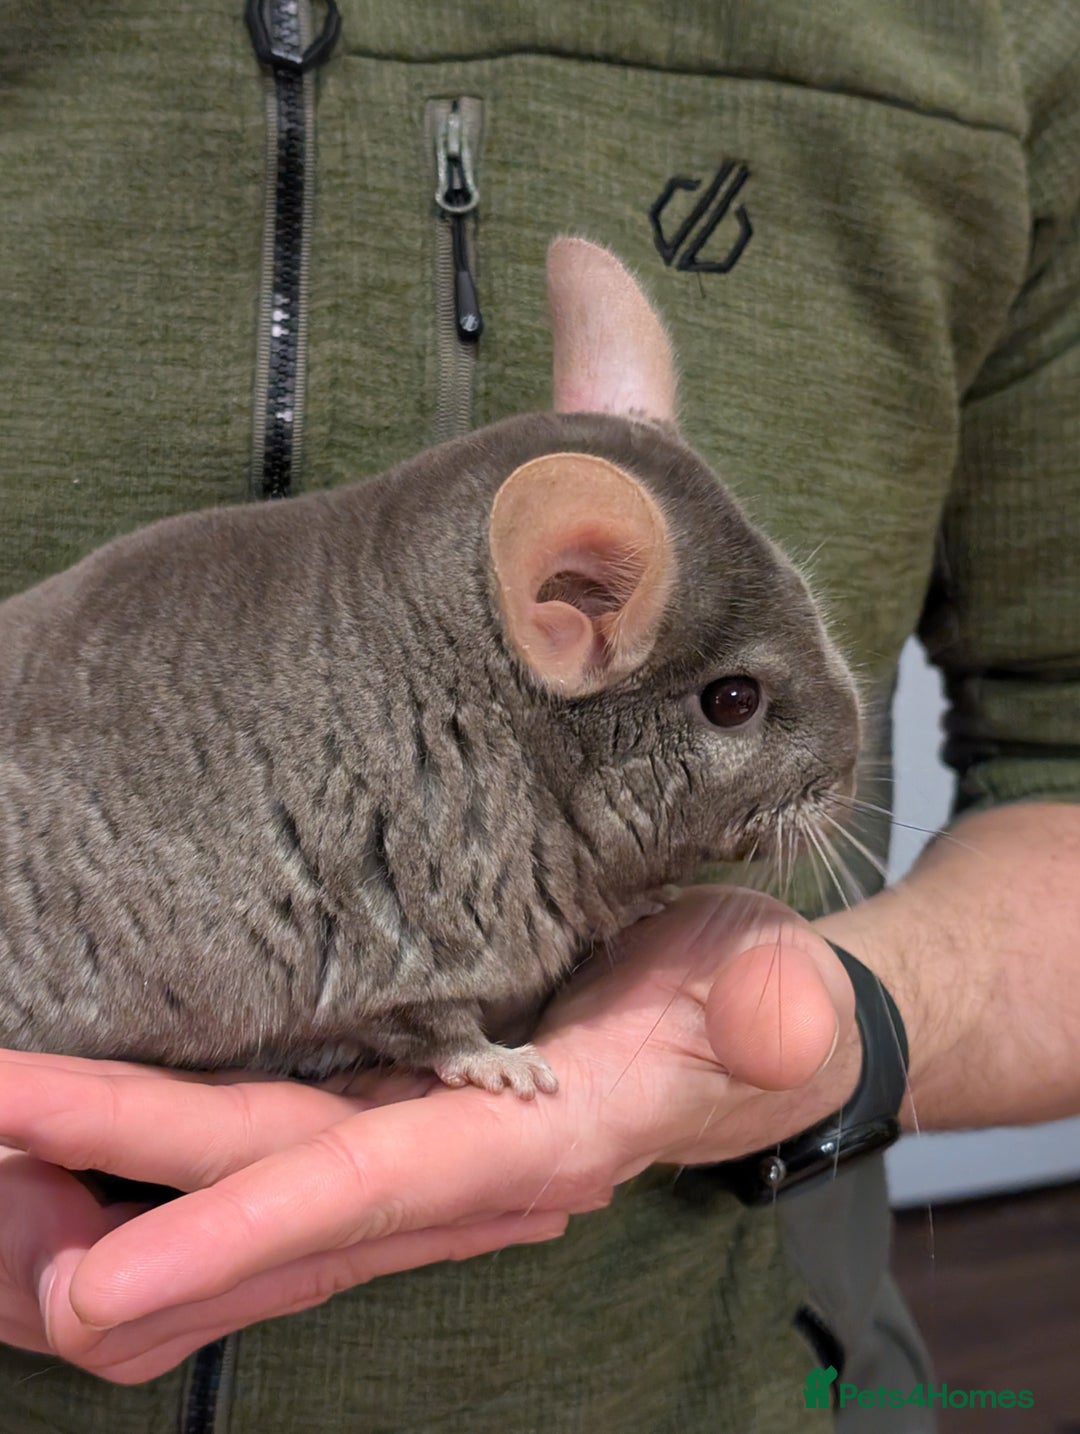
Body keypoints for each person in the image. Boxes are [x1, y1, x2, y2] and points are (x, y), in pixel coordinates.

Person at [1, 2, 1078, 1430]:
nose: (840, 764)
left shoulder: (997, 43)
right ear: (564, 609)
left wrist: (851, 1022)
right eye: (740, 703)